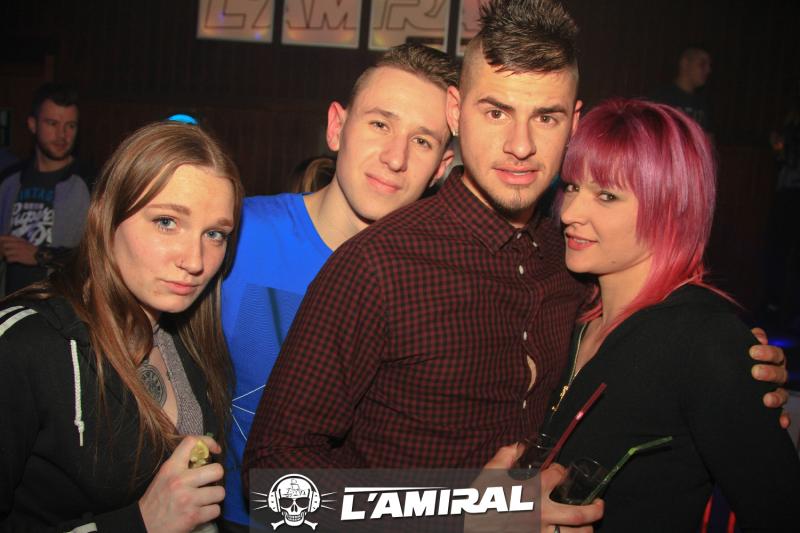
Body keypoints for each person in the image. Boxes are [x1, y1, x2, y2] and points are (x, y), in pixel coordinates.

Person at [245, 1, 788, 530]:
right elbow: (274, 489)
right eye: (496, 112)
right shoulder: (376, 266)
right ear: (456, 112)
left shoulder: (573, 258)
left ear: (574, 122)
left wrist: (732, 377)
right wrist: (459, 511)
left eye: (546, 117)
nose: (521, 146)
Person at [220, 43, 456, 531]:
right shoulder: (237, 235)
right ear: (336, 127)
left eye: (422, 141)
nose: (395, 157)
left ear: (442, 167)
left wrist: (507, 505)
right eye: (380, 124)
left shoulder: (437, 292)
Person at [543, 98, 800, 531]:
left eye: (606, 195)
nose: (569, 213)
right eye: (571, 187)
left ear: (671, 209)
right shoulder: (570, 308)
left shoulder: (706, 339)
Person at [0, 121, 244, 532]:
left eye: (215, 234)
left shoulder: (189, 338)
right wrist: (140, 523)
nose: (195, 260)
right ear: (107, 215)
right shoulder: (24, 346)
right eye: (166, 221)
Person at [0, 83, 93, 296]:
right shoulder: (9, 180)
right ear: (33, 125)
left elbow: (100, 254)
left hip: (62, 305)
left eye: (70, 126)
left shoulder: (90, 182)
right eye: (52, 123)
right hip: (10, 303)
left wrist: (40, 255)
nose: (62, 135)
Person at [650, 46, 713, 133]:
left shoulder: (703, 103)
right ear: (685, 63)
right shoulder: (661, 98)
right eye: (702, 64)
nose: (708, 70)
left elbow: (708, 137)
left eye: (709, 65)